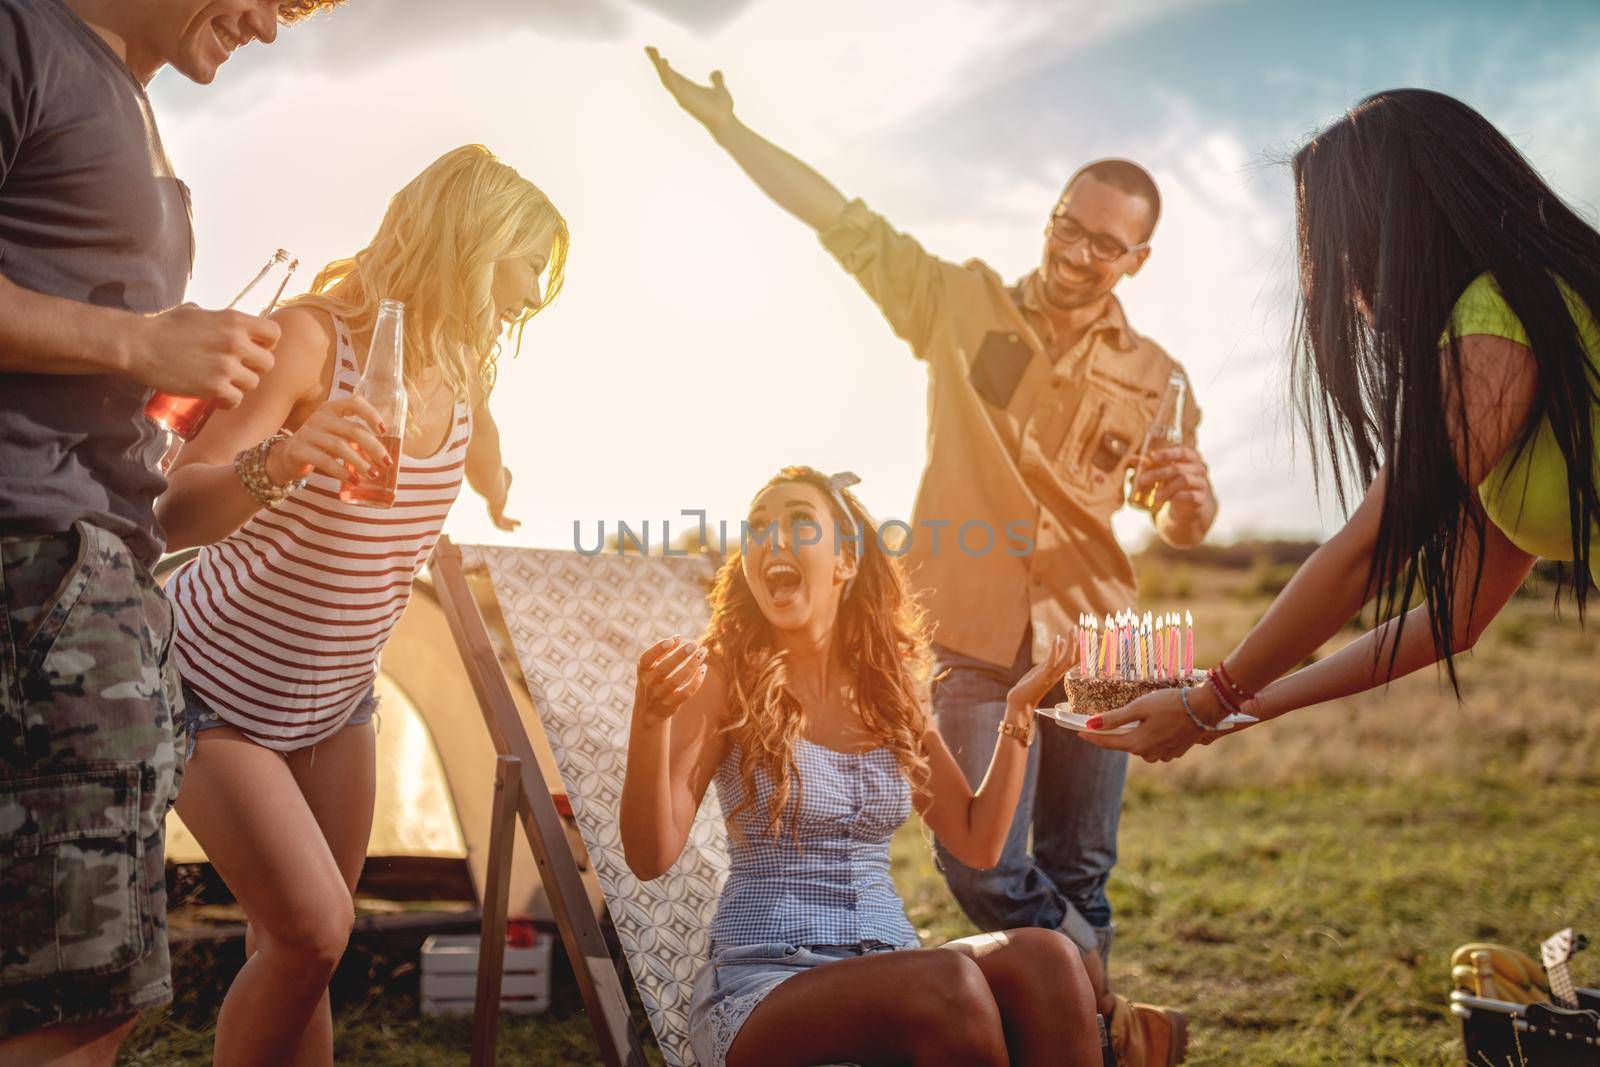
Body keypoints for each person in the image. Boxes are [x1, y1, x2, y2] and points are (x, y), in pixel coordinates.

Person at [646, 47, 1210, 1064]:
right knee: (992, 880)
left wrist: (1191, 505)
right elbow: (841, 222)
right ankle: (1101, 1010)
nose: (1073, 254)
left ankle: (1081, 1011)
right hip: (969, 611)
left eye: (1102, 245)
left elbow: (1177, 515)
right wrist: (730, 131)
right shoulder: (958, 302)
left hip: (1102, 629)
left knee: (1081, 872)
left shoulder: (1158, 375)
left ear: (1138, 259)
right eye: (1063, 228)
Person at [154, 144, 566, 1067]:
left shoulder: (465, 367)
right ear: (473, 240)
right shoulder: (314, 339)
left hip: (338, 703)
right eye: (527, 264)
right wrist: (284, 461)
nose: (534, 292)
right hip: (211, 681)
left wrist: (499, 490)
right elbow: (177, 505)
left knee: (300, 956)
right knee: (313, 931)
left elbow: (481, 445)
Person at [0, 1, 338, 1063]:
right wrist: (136, 339)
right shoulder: (23, 37)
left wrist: (265, 459)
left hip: (101, 572)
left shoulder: (132, 96)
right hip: (34, 567)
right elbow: (115, 341)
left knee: (92, 987)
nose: (271, 29)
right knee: (73, 1002)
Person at [1082, 89, 1599, 762]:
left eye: (1336, 246)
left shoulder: (1495, 318)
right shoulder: (1520, 326)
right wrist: (1232, 704)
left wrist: (1210, 698)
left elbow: (1373, 545)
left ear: (1392, 228)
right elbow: (1458, 620)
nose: (1342, 284)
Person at [622, 466, 1101, 1067]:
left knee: (1048, 958)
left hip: (890, 963)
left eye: (799, 521)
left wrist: (1019, 710)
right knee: (949, 985)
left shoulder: (888, 687)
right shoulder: (722, 678)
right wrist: (650, 720)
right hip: (765, 983)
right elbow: (649, 854)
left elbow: (978, 843)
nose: (772, 537)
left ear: (845, 560)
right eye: (758, 527)